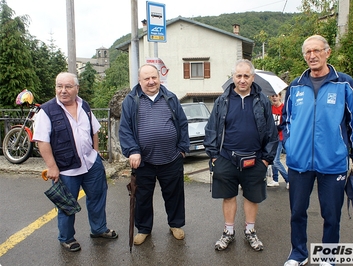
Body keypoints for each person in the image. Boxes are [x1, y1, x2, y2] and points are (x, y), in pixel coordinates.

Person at [281, 35, 353, 266]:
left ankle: (328, 257)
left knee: (331, 215)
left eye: (316, 50)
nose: (312, 56)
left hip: (333, 162)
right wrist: (289, 145)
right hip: (299, 164)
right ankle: (298, 254)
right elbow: (286, 121)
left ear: (327, 53)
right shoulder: (296, 86)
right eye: (308, 52)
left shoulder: (344, 83)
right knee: (297, 213)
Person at [33, 72, 118, 252]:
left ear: (76, 88)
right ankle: (66, 238)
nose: (63, 91)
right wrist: (52, 167)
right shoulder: (46, 111)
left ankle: (98, 229)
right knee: (66, 205)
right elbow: (42, 141)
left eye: (68, 87)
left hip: (91, 164)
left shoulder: (84, 105)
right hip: (65, 169)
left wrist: (95, 153)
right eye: (59, 86)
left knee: (97, 198)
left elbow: (94, 130)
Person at [204, 59, 278, 251]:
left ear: (252, 77)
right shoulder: (223, 100)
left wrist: (265, 159)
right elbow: (211, 129)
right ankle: (228, 232)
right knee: (228, 197)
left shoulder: (262, 101)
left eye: (246, 76)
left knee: (252, 197)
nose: (242, 80)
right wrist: (214, 156)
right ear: (233, 77)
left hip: (255, 159)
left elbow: (271, 132)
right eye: (239, 76)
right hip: (227, 158)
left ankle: (250, 231)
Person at [119, 64, 190, 246]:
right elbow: (125, 129)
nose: (151, 82)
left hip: (171, 158)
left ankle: (175, 225)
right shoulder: (130, 100)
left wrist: (182, 149)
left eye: (154, 78)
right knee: (142, 197)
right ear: (139, 81)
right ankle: (143, 228)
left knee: (174, 195)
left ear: (159, 78)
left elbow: (182, 124)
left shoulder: (171, 98)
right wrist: (133, 150)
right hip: (143, 161)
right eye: (146, 79)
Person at [267, 92, 289, 189]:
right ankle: (275, 180)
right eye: (273, 96)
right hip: (271, 138)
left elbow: (285, 122)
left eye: (276, 96)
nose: (274, 98)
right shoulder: (270, 108)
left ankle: (288, 180)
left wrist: (277, 128)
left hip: (280, 137)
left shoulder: (284, 108)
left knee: (276, 161)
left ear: (280, 97)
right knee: (272, 159)